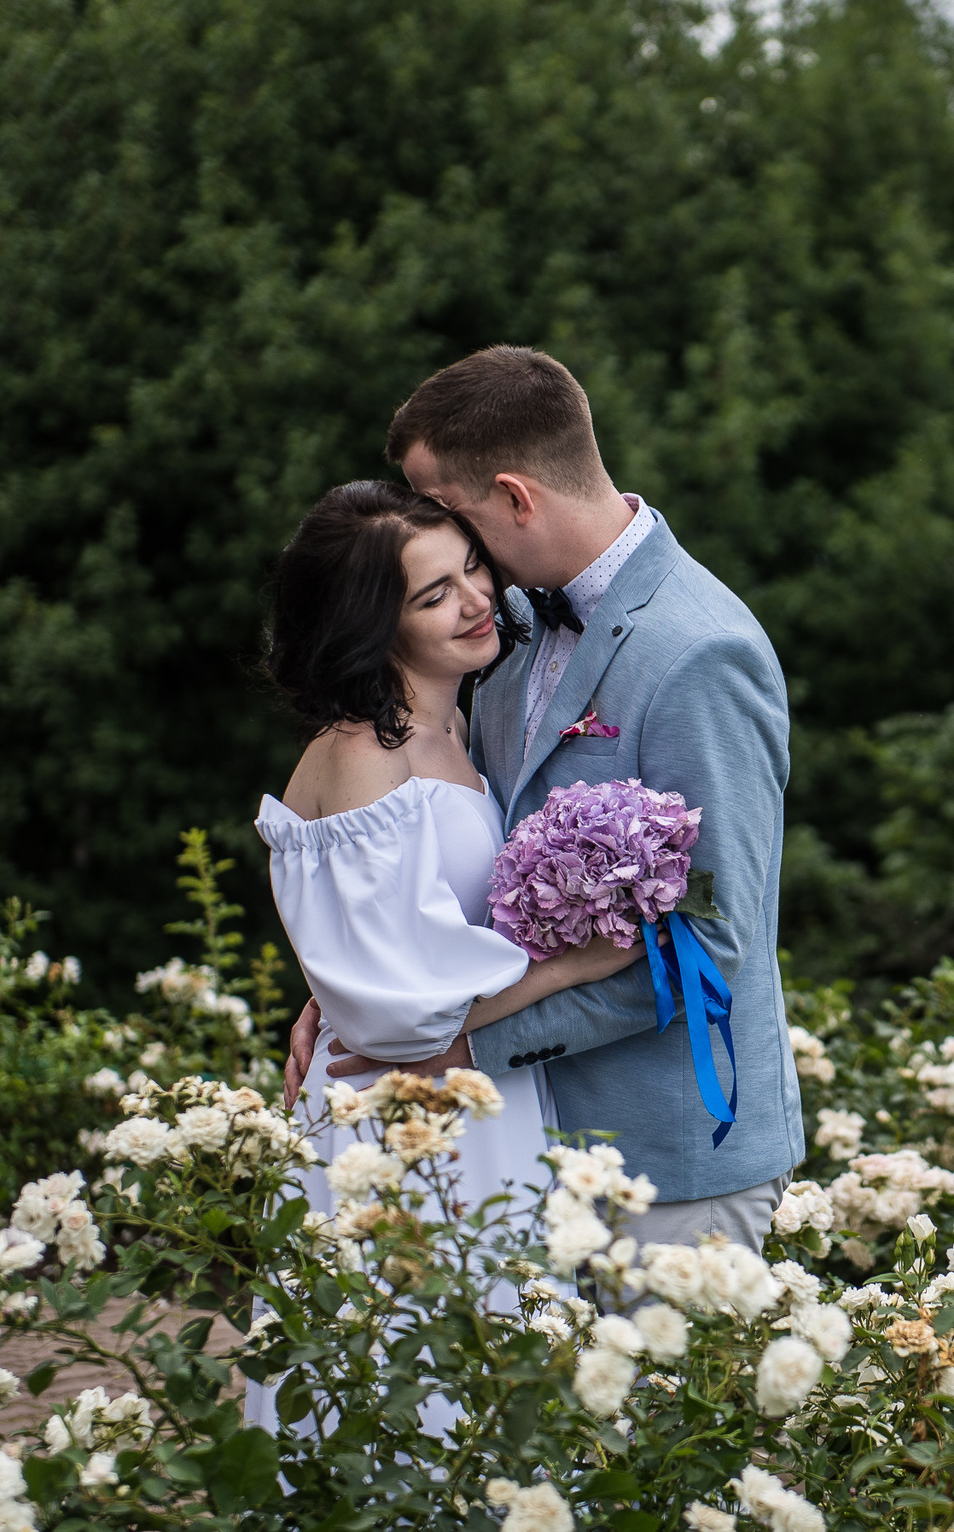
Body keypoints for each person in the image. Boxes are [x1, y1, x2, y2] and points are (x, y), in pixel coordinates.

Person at [285, 345, 801, 1251]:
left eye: (445, 510)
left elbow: (710, 931)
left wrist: (462, 1048)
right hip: (523, 1157)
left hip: (666, 1163)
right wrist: (361, 988)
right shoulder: (509, 630)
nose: (432, 536)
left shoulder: (699, 654)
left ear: (515, 498)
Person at [245, 479, 641, 1433]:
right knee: (411, 1386)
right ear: (373, 624)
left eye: (472, 568)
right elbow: (396, 1009)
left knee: (496, 1383)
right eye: (433, 594)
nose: (474, 600)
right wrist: (577, 961)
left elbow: (396, 942)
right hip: (398, 1116)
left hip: (469, 1098)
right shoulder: (362, 753)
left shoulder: (452, 725)